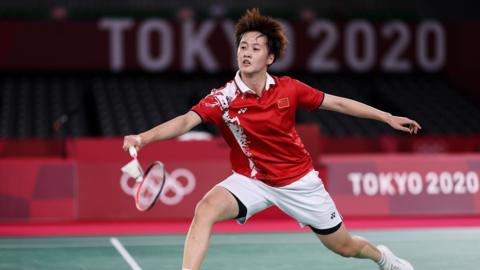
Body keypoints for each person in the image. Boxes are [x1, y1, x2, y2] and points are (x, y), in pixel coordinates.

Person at [123, 8, 421, 270]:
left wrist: (386, 117)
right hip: (252, 179)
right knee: (205, 209)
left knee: (346, 248)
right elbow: (187, 120)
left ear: (271, 57)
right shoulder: (224, 98)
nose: (246, 52)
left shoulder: (289, 88)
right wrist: (143, 138)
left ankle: (383, 259)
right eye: (242, 46)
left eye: (255, 48)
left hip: (299, 182)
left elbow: (338, 103)